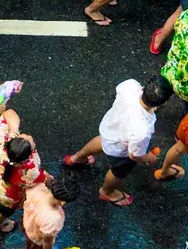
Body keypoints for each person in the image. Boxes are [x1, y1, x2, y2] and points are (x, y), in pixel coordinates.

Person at [63, 76, 170, 207]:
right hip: (120, 149)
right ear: (163, 103)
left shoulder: (130, 86)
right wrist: (147, 158)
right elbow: (133, 155)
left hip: (109, 128)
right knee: (118, 171)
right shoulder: (143, 129)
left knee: (102, 141)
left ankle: (77, 158)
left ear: (144, 87)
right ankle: (107, 191)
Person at [1, 173, 79, 249]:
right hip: (36, 238)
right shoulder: (53, 218)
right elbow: (47, 241)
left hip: (27, 222)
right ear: (63, 202)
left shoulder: (37, 187)